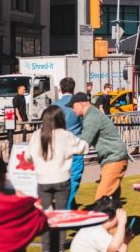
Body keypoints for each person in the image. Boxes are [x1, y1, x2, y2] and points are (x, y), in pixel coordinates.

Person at [25, 105, 89, 251]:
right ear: (61, 119)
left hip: (43, 181)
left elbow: (27, 156)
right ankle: (59, 248)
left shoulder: (37, 135)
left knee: (45, 217)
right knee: (61, 217)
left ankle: (46, 248)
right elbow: (83, 147)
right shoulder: (66, 135)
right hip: (62, 180)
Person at [67, 93, 128, 200]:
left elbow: (83, 145)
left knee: (101, 199)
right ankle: (118, 216)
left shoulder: (91, 117)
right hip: (114, 158)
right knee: (112, 201)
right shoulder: (92, 114)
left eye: (73, 106)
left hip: (114, 159)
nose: (72, 109)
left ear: (81, 104)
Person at [51, 77, 84, 209]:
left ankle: (70, 206)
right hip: (74, 146)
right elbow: (83, 124)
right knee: (73, 179)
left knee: (62, 178)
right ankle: (66, 208)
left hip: (58, 147)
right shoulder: (77, 105)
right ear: (73, 89)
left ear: (60, 89)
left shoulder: (54, 106)